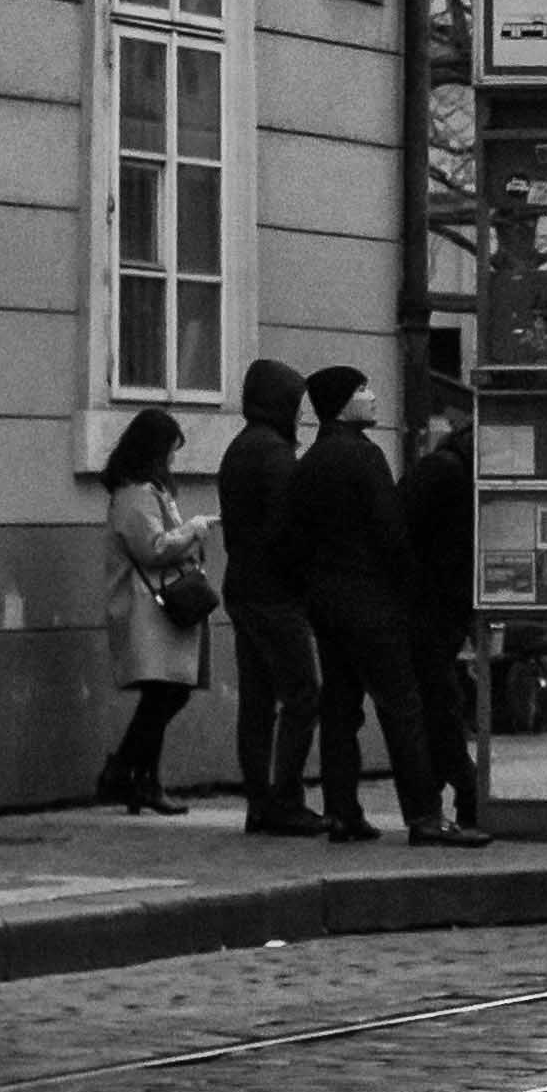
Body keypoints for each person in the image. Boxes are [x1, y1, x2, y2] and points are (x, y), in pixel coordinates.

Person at [292, 364, 485, 848]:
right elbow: (392, 531)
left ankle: (342, 811)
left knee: (340, 706)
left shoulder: (311, 461)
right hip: (370, 600)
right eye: (362, 389)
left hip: (325, 599)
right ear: (341, 401)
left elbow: (292, 536)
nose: (373, 396)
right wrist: (407, 589)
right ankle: (424, 816)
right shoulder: (364, 456)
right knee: (403, 707)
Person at [217, 357, 321, 836]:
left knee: (256, 703)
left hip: (242, 586)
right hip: (275, 594)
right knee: (302, 694)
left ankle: (259, 801)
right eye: (294, 403)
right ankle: (285, 798)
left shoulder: (238, 449)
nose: (299, 414)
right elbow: (291, 524)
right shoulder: (276, 454)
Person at [96, 407, 212, 815]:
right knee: (166, 693)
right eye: (169, 452)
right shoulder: (137, 494)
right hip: (147, 609)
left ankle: (141, 780)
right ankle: (126, 770)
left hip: (152, 608)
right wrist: (193, 529)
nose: (172, 461)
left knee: (163, 693)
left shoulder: (144, 491)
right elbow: (153, 548)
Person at [402, 395, 484, 832]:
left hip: (437, 604)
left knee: (440, 703)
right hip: (431, 605)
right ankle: (467, 791)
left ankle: (435, 804)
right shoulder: (450, 472)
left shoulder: (446, 468)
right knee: (443, 704)